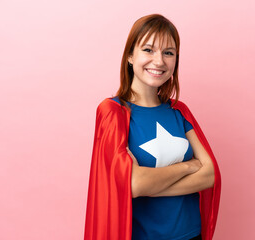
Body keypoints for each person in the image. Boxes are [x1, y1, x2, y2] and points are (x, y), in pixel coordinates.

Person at [84, 14, 221, 240]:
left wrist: (149, 184)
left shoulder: (180, 111)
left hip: (191, 235)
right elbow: (135, 184)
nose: (159, 61)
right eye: (148, 50)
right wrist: (188, 167)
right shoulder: (113, 112)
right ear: (130, 56)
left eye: (168, 52)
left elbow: (210, 175)